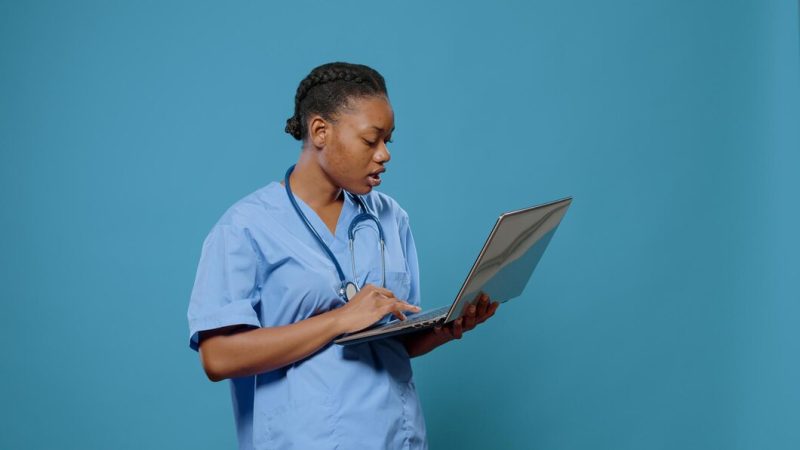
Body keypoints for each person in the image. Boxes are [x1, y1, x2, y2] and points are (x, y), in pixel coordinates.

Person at [187, 61, 499, 449]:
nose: (384, 154)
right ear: (320, 131)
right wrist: (339, 320)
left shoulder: (390, 216)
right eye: (371, 140)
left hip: (397, 436)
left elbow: (393, 339)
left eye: (389, 140)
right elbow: (217, 357)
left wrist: (447, 328)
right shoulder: (244, 228)